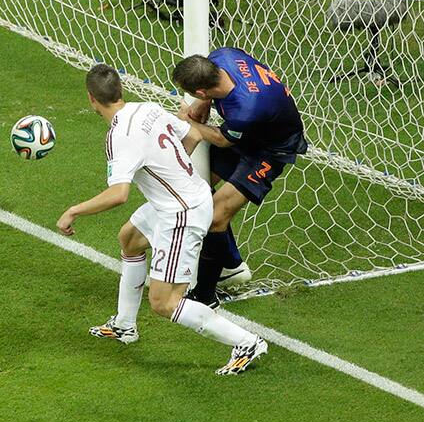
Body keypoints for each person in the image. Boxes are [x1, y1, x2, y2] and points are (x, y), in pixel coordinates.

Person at [56, 64, 268, 375]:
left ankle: (247, 342)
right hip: (185, 196)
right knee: (130, 238)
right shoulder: (147, 108)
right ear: (121, 90)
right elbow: (193, 134)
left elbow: (118, 194)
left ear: (91, 99)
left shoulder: (119, 136)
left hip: (181, 213)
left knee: (164, 302)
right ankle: (125, 325)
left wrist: (74, 210)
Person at [173, 48, 307, 307]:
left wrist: (189, 123)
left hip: (270, 150)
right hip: (250, 133)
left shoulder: (247, 109)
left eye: (194, 95)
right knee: (194, 188)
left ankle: (206, 295)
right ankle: (230, 264)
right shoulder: (223, 56)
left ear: (201, 89)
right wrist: (203, 103)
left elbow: (223, 140)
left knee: (215, 215)